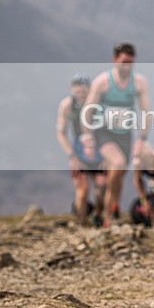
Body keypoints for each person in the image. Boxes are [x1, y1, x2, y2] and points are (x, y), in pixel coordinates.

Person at [81, 43, 151, 228]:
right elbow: (88, 111)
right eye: (123, 61)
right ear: (115, 60)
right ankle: (106, 215)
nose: (127, 66)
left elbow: (146, 111)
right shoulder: (103, 81)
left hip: (125, 133)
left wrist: (142, 139)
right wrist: (87, 139)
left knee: (119, 174)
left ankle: (110, 206)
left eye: (130, 62)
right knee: (117, 163)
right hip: (104, 132)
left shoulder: (138, 82)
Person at [55, 74, 107, 226]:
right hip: (79, 152)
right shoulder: (67, 105)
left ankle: (98, 216)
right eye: (78, 88)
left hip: (98, 153)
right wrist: (72, 156)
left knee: (102, 187)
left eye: (84, 89)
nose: (81, 92)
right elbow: (61, 132)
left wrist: (107, 156)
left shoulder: (99, 105)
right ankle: (81, 223)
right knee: (82, 191)